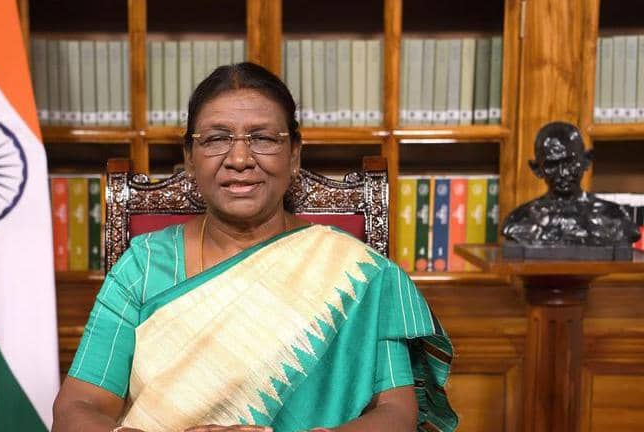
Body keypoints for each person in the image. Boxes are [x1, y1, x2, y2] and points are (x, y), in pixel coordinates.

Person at [52, 62, 458, 432]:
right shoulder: (143, 266)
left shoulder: (354, 272)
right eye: (216, 139)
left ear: (294, 154)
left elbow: (396, 413)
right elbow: (77, 407)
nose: (240, 159)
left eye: (263, 138)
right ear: (189, 158)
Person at [502, 121, 641, 246]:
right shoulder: (520, 219)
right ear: (537, 169)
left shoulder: (614, 216)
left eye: (570, 163)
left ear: (586, 161)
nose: (563, 173)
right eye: (552, 165)